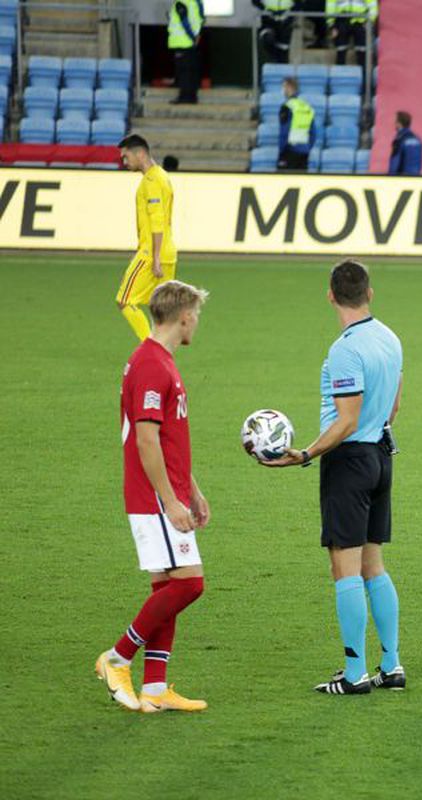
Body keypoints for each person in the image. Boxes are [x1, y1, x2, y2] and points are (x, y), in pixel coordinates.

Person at [266, 260, 405, 695]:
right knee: (374, 565)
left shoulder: (344, 350)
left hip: (350, 462)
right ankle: (392, 666)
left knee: (345, 570)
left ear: (330, 295)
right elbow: (393, 407)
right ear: (371, 292)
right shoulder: (390, 337)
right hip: (382, 456)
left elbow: (346, 421)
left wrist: (305, 453)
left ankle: (355, 674)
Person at [95, 280, 211, 713]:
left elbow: (169, 439)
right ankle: (117, 657)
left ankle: (156, 688)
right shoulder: (151, 365)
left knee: (166, 587)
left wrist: (193, 492)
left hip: (168, 492)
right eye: (195, 314)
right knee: (190, 584)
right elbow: (146, 441)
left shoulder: (160, 361)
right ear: (183, 315)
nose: (197, 321)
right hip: (154, 497)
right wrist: (171, 500)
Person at [115, 134, 178, 342]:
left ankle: (151, 347)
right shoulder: (162, 175)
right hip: (169, 252)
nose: (125, 162)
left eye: (126, 157)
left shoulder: (150, 180)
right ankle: (164, 353)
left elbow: (157, 219)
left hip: (152, 253)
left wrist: (155, 256)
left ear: (140, 153)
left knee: (125, 300)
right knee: (161, 310)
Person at [168, 0, 205, 105]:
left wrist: (193, 37)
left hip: (182, 42)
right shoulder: (197, 2)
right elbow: (202, 19)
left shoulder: (180, 3)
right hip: (192, 43)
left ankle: (184, 97)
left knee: (183, 72)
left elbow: (184, 22)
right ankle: (193, 96)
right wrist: (198, 35)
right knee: (191, 70)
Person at [278, 77, 315, 171]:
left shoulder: (287, 107)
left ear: (289, 88)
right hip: (304, 152)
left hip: (289, 151)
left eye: (283, 87)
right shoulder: (307, 107)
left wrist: (282, 151)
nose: (282, 90)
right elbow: (313, 133)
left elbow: (284, 132)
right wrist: (307, 147)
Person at [327, 0, 377, 69]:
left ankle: (364, 78)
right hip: (342, 21)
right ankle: (339, 76)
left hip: (360, 22)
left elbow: (373, 5)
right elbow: (330, 6)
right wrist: (332, 25)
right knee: (341, 51)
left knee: (362, 53)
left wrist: (369, 21)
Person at [387, 111, 422, 176]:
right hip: (416, 179)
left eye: (395, 121)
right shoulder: (418, 140)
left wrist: (390, 178)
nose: (394, 123)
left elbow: (394, 162)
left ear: (399, 123)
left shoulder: (399, 140)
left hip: (402, 180)